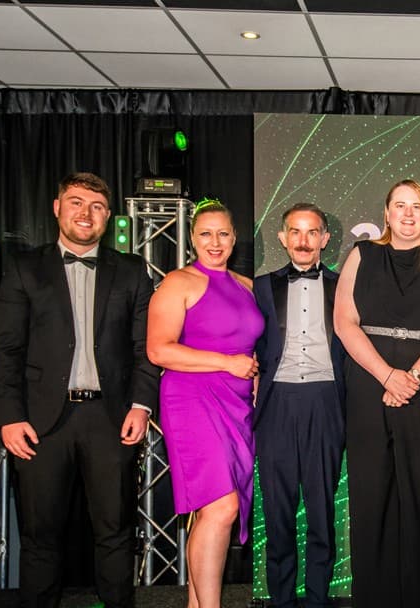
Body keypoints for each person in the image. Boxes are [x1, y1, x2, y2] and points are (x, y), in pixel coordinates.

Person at [0, 172, 159, 608]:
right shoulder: (25, 267)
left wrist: (141, 405)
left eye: (97, 206)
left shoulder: (131, 270)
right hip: (40, 423)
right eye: (76, 203)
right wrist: (9, 416)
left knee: (116, 533)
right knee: (40, 536)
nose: (86, 213)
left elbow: (145, 347)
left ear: (108, 216)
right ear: (57, 208)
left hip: (111, 419)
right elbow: (6, 350)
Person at [333, 179, 420, 608]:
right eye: (400, 206)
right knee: (370, 498)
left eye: (417, 207)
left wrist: (411, 377)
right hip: (368, 387)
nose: (408, 214)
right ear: (387, 213)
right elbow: (344, 323)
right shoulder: (362, 254)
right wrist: (387, 376)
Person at [146, 200, 263, 608]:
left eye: (223, 234)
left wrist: (253, 377)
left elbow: (252, 345)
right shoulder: (178, 282)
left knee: (212, 511)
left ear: (234, 238)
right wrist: (227, 363)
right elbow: (159, 350)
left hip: (237, 403)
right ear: (192, 238)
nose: (215, 242)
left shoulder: (247, 286)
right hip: (191, 399)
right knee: (221, 507)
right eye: (206, 234)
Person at [252, 203, 347, 608]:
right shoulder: (260, 287)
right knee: (277, 511)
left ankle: (318, 599)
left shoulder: (345, 286)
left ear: (325, 239)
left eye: (312, 232)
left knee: (322, 510)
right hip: (276, 403)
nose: (303, 241)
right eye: (295, 231)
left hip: (326, 402)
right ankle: (282, 600)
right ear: (282, 237)